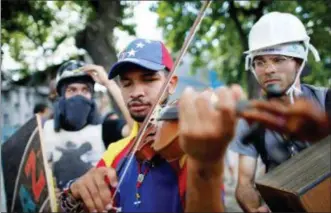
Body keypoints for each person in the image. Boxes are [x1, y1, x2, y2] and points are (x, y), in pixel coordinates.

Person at [58, 38, 244, 212]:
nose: (136, 92)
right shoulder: (115, 152)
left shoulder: (188, 147)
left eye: (149, 79)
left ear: (171, 84)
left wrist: (206, 166)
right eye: (127, 83)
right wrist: (75, 191)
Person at [229, 12, 330, 213]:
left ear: (299, 62)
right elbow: (244, 183)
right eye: (260, 62)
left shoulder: (327, 101)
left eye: (278, 59)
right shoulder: (251, 120)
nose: (269, 69)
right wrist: (253, 208)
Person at [43, 60, 133, 191]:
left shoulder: (105, 128)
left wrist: (109, 84)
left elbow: (135, 129)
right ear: (62, 95)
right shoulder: (46, 130)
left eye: (85, 90)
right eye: (72, 90)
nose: (79, 95)